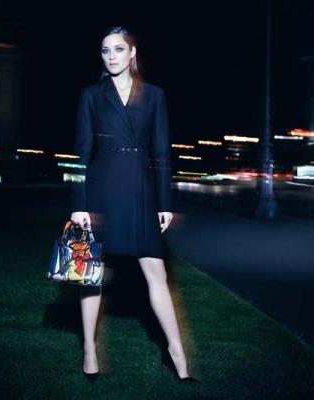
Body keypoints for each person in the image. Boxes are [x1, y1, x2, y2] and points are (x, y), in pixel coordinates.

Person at [70, 26, 198, 384]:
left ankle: (176, 352)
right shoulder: (91, 95)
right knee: (92, 272)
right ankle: (89, 350)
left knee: (156, 272)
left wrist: (165, 203)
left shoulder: (155, 95)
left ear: (132, 54)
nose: (111, 56)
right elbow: (81, 155)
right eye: (105, 50)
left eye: (118, 49)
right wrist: (78, 205)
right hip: (101, 191)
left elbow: (162, 152)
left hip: (141, 191)